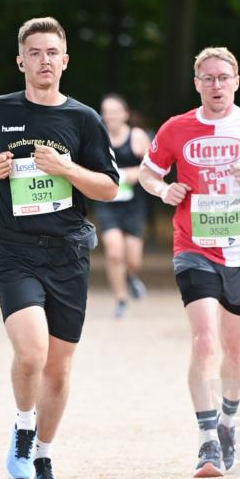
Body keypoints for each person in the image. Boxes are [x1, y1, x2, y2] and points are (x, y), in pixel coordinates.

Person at [0, 17, 119, 479]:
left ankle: (45, 459)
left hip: (68, 253)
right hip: (15, 251)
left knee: (58, 367)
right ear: (21, 61)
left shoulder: (83, 120)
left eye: (52, 52)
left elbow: (111, 187)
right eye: (35, 52)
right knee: (31, 353)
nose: (44, 60)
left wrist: (67, 168)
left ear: (65, 60)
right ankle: (23, 425)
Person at [138, 47, 240, 478]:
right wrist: (163, 191)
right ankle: (207, 442)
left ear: (236, 81)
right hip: (192, 245)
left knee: (235, 347)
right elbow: (147, 172)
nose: (216, 85)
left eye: (223, 78)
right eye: (207, 78)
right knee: (205, 340)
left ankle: (229, 423)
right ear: (197, 83)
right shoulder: (177, 128)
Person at [93, 94, 151, 318]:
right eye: (106, 110)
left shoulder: (136, 137)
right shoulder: (98, 136)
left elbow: (152, 168)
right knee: (115, 252)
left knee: (133, 257)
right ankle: (121, 298)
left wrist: (131, 174)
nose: (111, 115)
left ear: (125, 114)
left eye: (115, 110)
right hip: (107, 201)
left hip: (133, 202)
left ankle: (131, 276)